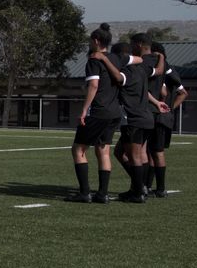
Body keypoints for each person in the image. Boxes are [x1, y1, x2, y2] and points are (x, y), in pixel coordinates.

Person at [93, 37, 166, 203]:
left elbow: (119, 78)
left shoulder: (128, 71)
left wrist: (104, 59)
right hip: (147, 118)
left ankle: (139, 191)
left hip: (134, 119)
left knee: (135, 157)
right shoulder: (143, 70)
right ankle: (139, 187)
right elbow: (159, 71)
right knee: (128, 153)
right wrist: (162, 58)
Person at [67, 24, 124, 203]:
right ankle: (103, 194)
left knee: (78, 149)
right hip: (115, 111)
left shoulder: (94, 60)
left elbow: (93, 85)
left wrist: (84, 110)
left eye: (91, 41)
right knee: (104, 150)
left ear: (96, 41)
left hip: (99, 111)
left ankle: (85, 193)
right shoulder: (116, 58)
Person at [144, 42, 188, 197]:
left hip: (159, 116)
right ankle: (148, 186)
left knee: (157, 151)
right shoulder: (168, 72)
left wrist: (167, 108)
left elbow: (166, 92)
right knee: (152, 151)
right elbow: (183, 92)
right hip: (161, 116)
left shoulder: (163, 72)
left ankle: (160, 188)